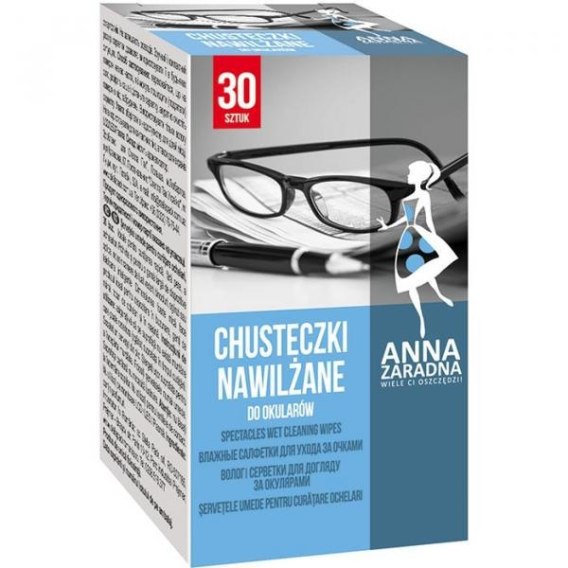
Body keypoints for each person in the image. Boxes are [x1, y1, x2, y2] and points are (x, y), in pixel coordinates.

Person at [378, 160, 457, 338]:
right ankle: (420, 319)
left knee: (427, 271)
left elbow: (428, 219)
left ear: (421, 177)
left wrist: (435, 237)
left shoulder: (424, 196)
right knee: (411, 280)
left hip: (419, 235)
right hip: (407, 237)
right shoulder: (407, 197)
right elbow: (405, 218)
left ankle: (440, 295)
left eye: (411, 173)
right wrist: (387, 226)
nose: (407, 175)